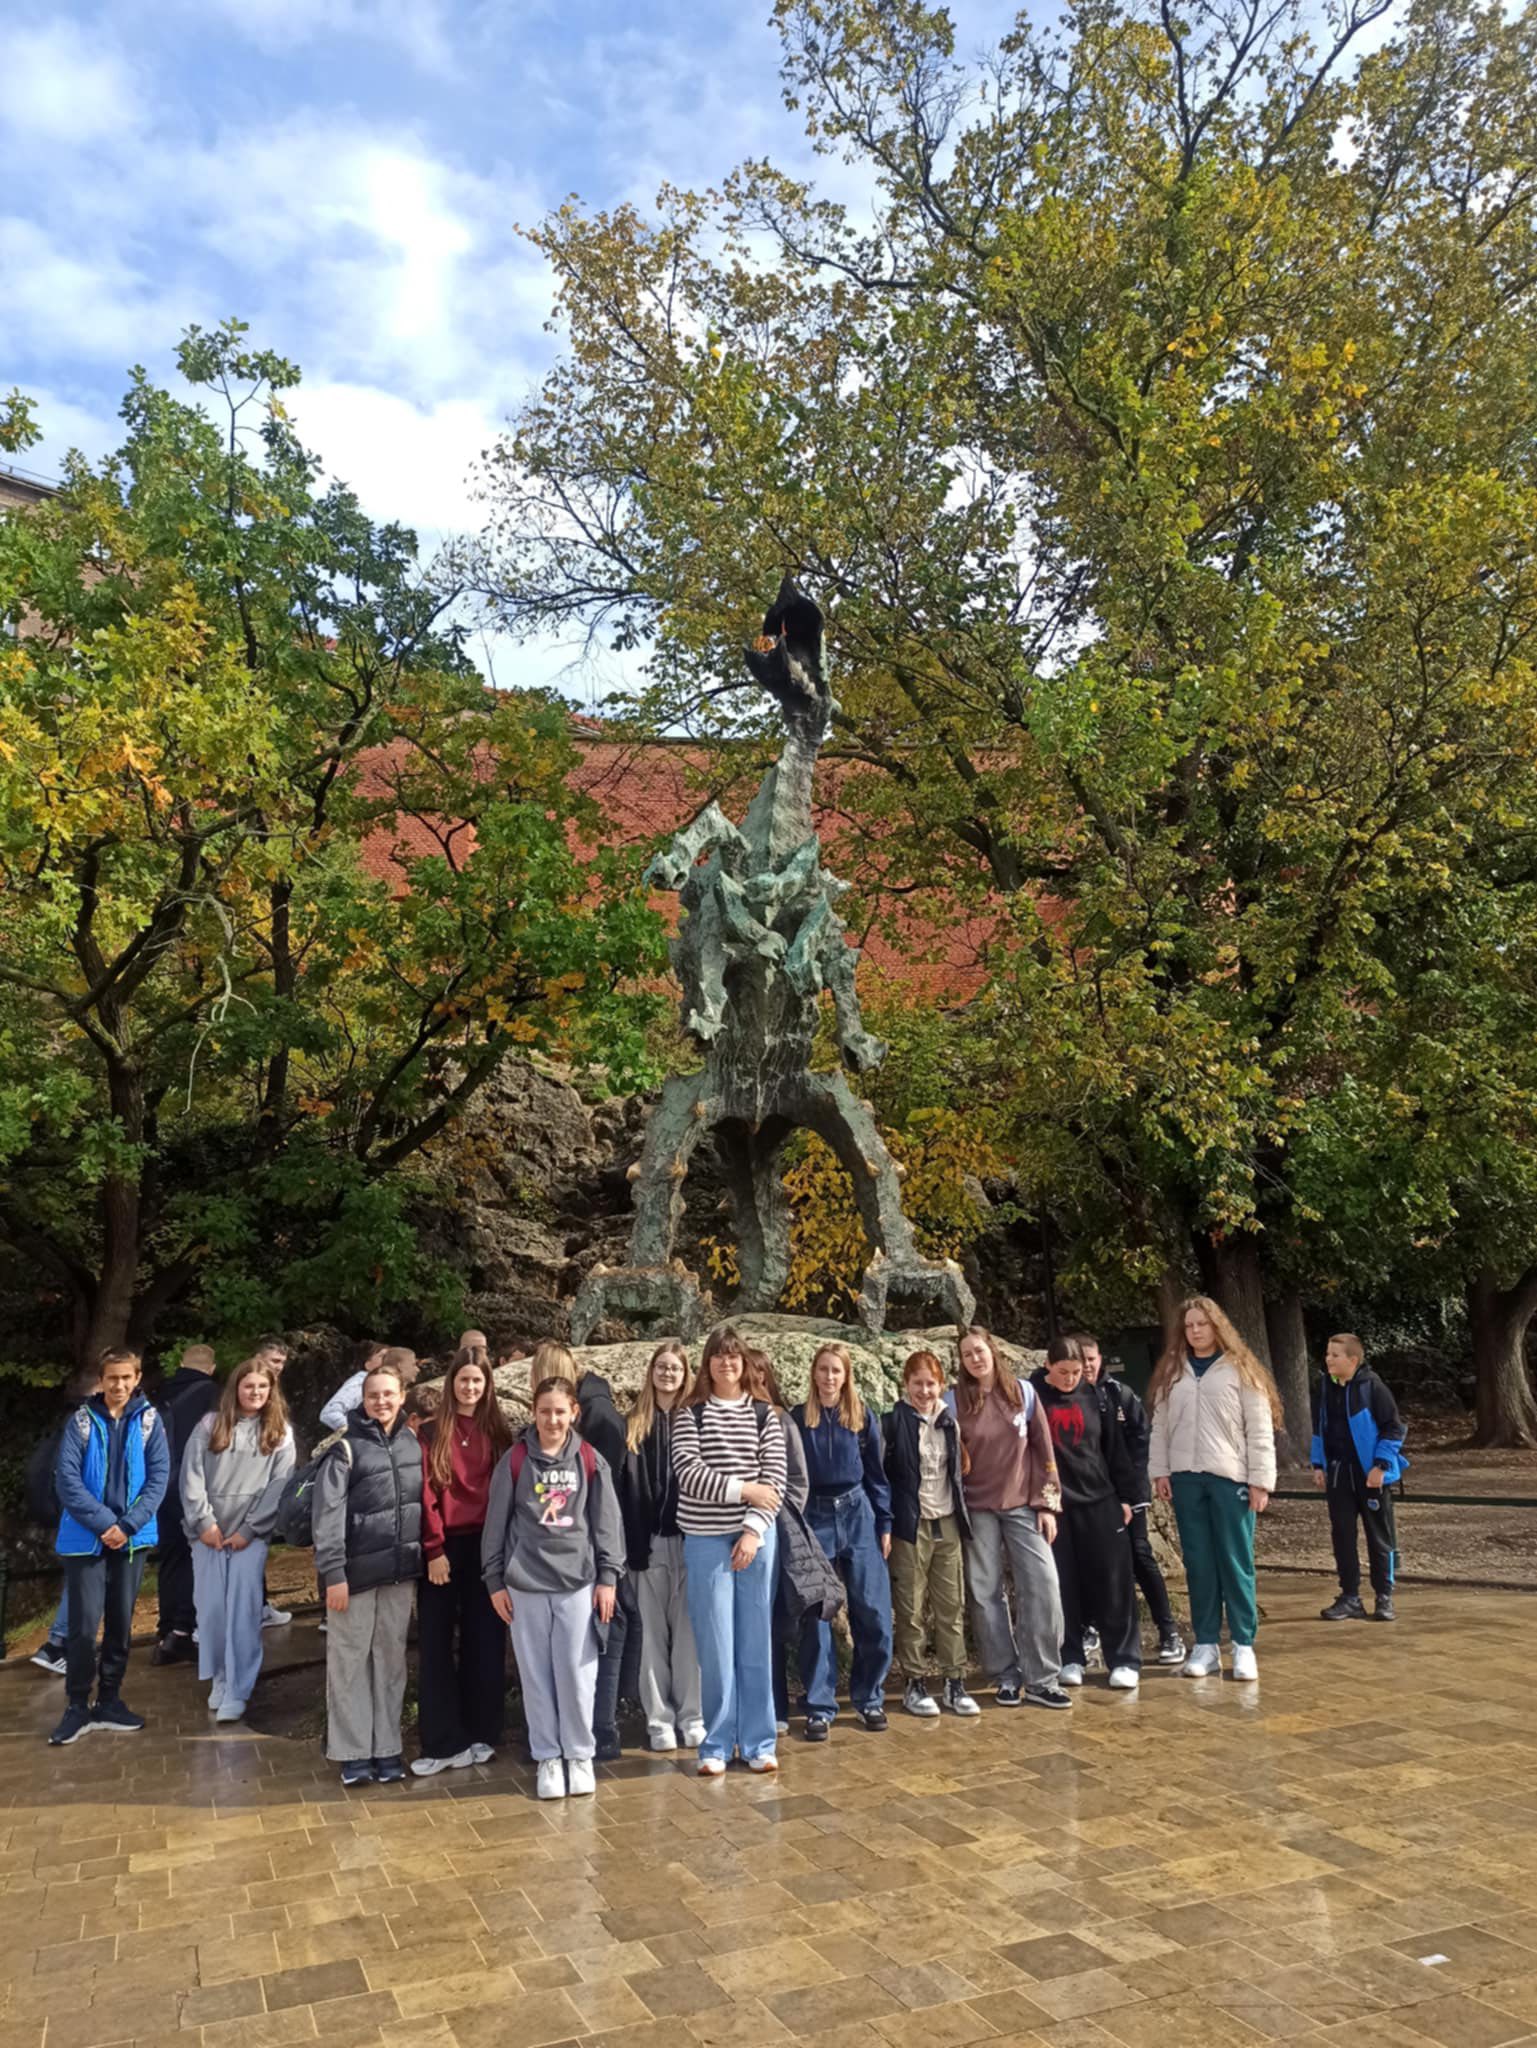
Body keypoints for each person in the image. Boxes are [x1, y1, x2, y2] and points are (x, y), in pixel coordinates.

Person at [481, 1374, 624, 1801]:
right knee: (536, 1675)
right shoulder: (514, 1461)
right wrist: (494, 1580)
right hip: (525, 1583)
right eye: (545, 1411)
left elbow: (606, 1523)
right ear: (534, 1413)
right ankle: (547, 1755)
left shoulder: (590, 1459)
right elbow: (495, 1524)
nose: (552, 1420)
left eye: (560, 1411)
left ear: (574, 1412)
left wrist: (608, 1577)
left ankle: (579, 1754)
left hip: (577, 1582)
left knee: (577, 1674)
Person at [670, 1324, 787, 1775]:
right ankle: (716, 1744)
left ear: (744, 1362)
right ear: (707, 1364)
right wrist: (744, 1490)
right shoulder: (690, 1414)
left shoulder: (764, 1414)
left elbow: (774, 1479)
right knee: (716, 1647)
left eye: (734, 1355)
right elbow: (689, 1474)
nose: (726, 1363)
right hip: (705, 1540)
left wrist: (753, 1531)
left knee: (755, 1642)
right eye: (718, 1356)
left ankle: (759, 1742)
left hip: (755, 1540)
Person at [1149, 1295, 1279, 1681]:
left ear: (1217, 1326)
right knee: (1199, 1564)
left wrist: (1260, 1481)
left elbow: (1259, 1429)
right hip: (1186, 1478)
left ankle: (1243, 1644)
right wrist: (1160, 1471)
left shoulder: (1241, 1369)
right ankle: (1205, 1645)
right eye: (1189, 1325)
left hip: (1230, 1478)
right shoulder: (1173, 1371)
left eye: (1202, 1324)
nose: (1195, 1331)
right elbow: (1160, 1425)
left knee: (1235, 1562)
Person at [48, 1347, 170, 1745]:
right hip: (86, 1537)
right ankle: (77, 1705)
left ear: (137, 1378)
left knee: (120, 1623)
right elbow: (67, 1480)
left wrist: (128, 1525)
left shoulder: (150, 1420)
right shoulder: (80, 1421)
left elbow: (159, 1478)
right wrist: (105, 1523)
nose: (119, 1384)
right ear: (101, 1380)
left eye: (126, 1377)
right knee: (83, 1628)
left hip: (131, 1539)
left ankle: (110, 1699)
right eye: (112, 1377)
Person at [314, 1359, 424, 1785]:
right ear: (362, 1400)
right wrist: (333, 1574)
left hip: (397, 1574)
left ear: (402, 1397)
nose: (381, 1401)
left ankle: (387, 1747)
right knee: (349, 1662)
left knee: (390, 1662)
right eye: (373, 1395)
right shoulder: (345, 1449)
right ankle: (353, 1752)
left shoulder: (412, 1444)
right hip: (353, 1577)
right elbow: (327, 1517)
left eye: (388, 1394)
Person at [954, 1325, 1070, 1711]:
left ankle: (1042, 1677)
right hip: (977, 1508)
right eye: (967, 1354)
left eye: (979, 1350)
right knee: (985, 1592)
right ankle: (1005, 1675)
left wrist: (1047, 1505)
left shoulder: (1024, 1393)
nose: (975, 1358)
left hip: (1022, 1504)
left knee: (1043, 1584)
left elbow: (1043, 1450)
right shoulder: (954, 1401)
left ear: (992, 1350)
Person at [529, 1339, 634, 1761]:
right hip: (571, 1551)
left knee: (606, 1631)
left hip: (592, 1551)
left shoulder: (597, 1417)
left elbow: (603, 1496)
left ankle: (601, 1727)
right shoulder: (588, 1413)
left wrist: (608, 1563)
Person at [180, 1356, 297, 1723]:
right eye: (249, 1386)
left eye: (263, 1387)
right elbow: (191, 1477)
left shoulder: (280, 1433)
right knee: (212, 1611)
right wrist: (204, 1523)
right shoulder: (209, 1425)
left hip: (250, 1537)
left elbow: (279, 1487)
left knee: (243, 1614)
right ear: (236, 1388)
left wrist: (249, 1529)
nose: (256, 1392)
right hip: (209, 1536)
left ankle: (238, 1688)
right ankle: (219, 1676)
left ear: (272, 1391)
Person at [414, 1348, 514, 1776]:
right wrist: (434, 1549)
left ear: (487, 1384)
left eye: (477, 1380)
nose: (470, 1387)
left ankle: (481, 1733)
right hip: (444, 1547)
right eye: (463, 1379)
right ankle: (443, 1740)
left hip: (487, 1548)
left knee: (485, 1641)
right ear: (451, 1382)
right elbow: (425, 1493)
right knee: (436, 1643)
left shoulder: (499, 1432)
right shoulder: (431, 1432)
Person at [792, 1342, 894, 1740]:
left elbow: (877, 1475)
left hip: (857, 1512)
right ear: (814, 1373)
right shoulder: (799, 1419)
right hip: (814, 1515)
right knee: (817, 1613)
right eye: (823, 1369)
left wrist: (884, 1523)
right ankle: (819, 1706)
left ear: (846, 1375)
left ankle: (869, 1697)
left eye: (836, 1370)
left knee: (873, 1610)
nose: (829, 1377)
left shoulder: (862, 1417)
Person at [1032, 1338, 1140, 1690]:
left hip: (1101, 1500)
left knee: (1114, 1582)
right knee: (1063, 1584)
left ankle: (1123, 1658)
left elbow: (1115, 1450)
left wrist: (1127, 1498)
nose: (1070, 1379)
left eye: (1077, 1372)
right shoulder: (1033, 1397)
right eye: (1063, 1372)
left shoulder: (1099, 1398)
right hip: (1057, 1507)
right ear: (1048, 1366)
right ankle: (1070, 1656)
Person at [1075, 1332, 1185, 1664]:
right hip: (1090, 1494)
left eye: (1091, 1359)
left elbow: (1141, 1442)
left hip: (1127, 1492)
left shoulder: (1119, 1394)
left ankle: (1169, 1630)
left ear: (1100, 1359)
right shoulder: (1068, 1398)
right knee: (1090, 1560)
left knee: (1139, 1555)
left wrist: (1132, 1491)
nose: (1086, 1366)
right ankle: (1090, 1626)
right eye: (1080, 1360)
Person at [882, 1349, 978, 1718]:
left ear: (941, 1385)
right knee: (910, 1607)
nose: (924, 1391)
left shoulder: (949, 1422)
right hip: (911, 1524)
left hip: (947, 1520)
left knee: (951, 1605)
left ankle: (954, 1680)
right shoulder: (893, 1422)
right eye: (917, 1383)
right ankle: (915, 1680)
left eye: (931, 1384)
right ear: (906, 1384)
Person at [620, 1341, 705, 1754]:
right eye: (661, 1366)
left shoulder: (697, 1419)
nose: (668, 1374)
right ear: (651, 1371)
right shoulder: (633, 1423)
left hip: (690, 1541)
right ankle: (659, 1721)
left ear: (686, 1373)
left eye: (675, 1368)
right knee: (651, 1638)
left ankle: (693, 1716)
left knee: (689, 1636)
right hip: (648, 1543)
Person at [1310, 1333, 1406, 1624]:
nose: (1328, 1359)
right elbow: (1319, 1428)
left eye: (1335, 1355)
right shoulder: (1325, 1388)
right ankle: (1350, 1597)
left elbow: (1394, 1428)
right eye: (1327, 1354)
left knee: (1379, 1536)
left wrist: (1380, 1466)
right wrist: (1318, 1464)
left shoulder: (1372, 1387)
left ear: (1352, 1360)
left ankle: (1384, 1596)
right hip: (1339, 1474)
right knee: (1342, 1536)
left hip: (1370, 1477)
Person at [743, 1347, 808, 1734]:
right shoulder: (726, 1416)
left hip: (772, 1533)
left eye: (759, 1376)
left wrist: (776, 1517)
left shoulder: (782, 1420)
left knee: (770, 1622)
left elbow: (797, 1479)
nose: (753, 1383)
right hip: (729, 1533)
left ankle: (776, 1706)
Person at [152, 1341, 222, 1666]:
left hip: (160, 1485)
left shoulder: (159, 1392)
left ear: (181, 1363)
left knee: (170, 1560)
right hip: (194, 1485)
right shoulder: (212, 1394)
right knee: (199, 1558)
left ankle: (164, 1630)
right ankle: (182, 1630)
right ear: (212, 1368)